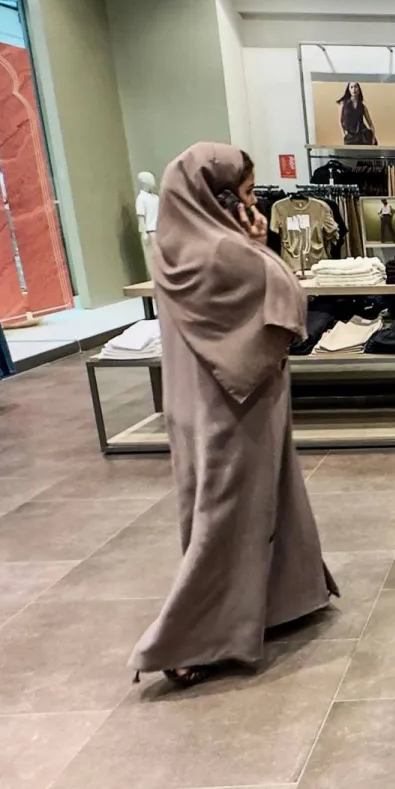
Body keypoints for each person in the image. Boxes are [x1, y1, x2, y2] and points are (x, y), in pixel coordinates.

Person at [131, 143, 338, 688]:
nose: (254, 203)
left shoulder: (175, 244)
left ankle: (281, 598)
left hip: (197, 398)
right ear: (218, 196)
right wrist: (260, 246)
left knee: (248, 501)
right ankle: (190, 640)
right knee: (229, 514)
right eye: (245, 193)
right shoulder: (222, 250)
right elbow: (286, 297)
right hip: (233, 401)